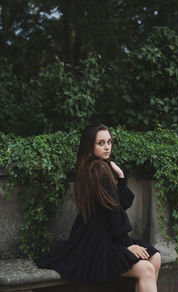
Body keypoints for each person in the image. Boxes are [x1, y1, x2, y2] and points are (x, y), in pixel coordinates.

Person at [35, 124, 161, 292]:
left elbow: (120, 203)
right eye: (100, 143)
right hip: (95, 243)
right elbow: (114, 209)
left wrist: (121, 177)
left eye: (109, 142)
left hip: (105, 237)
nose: (107, 146)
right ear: (90, 146)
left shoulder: (96, 167)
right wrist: (126, 244)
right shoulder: (98, 170)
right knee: (147, 268)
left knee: (155, 257)